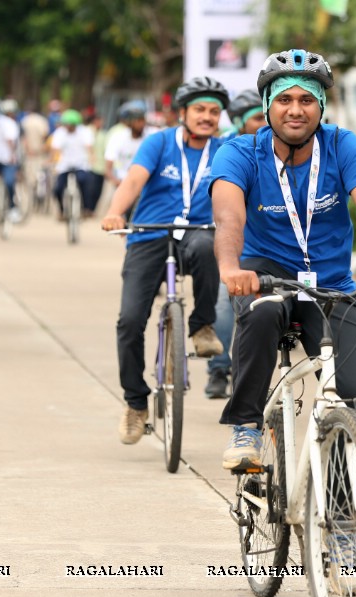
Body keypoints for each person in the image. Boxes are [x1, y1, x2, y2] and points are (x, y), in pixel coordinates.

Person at [210, 49, 356, 470]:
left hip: (331, 282)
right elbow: (228, 217)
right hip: (266, 273)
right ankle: (246, 425)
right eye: (284, 99)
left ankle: (341, 502)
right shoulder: (239, 152)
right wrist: (231, 269)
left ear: (321, 106)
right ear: (267, 106)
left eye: (306, 100)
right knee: (261, 315)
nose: (295, 110)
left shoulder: (342, 145)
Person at [100, 76, 229, 445]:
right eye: (200, 110)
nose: (207, 117)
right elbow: (134, 180)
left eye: (214, 111)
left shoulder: (224, 149)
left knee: (208, 246)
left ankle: (202, 326)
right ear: (183, 113)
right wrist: (115, 212)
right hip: (149, 234)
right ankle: (136, 401)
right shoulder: (158, 142)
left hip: (197, 232)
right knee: (128, 322)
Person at [205, 89, 269, 400]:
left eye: (264, 116)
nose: (263, 123)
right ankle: (219, 369)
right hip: (235, 244)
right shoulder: (229, 150)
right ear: (241, 123)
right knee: (224, 307)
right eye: (256, 118)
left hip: (271, 248)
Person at [49, 109, 96, 217]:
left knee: (85, 183)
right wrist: (52, 161)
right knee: (58, 188)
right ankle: (61, 211)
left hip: (81, 164)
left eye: (71, 125)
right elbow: (55, 149)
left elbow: (89, 147)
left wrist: (92, 157)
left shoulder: (84, 132)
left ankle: (86, 209)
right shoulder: (60, 133)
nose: (69, 127)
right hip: (64, 164)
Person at [104, 101, 158, 194]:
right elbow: (108, 169)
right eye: (137, 120)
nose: (141, 124)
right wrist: (118, 183)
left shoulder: (153, 135)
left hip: (147, 186)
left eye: (142, 119)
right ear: (128, 122)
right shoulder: (118, 137)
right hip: (124, 183)